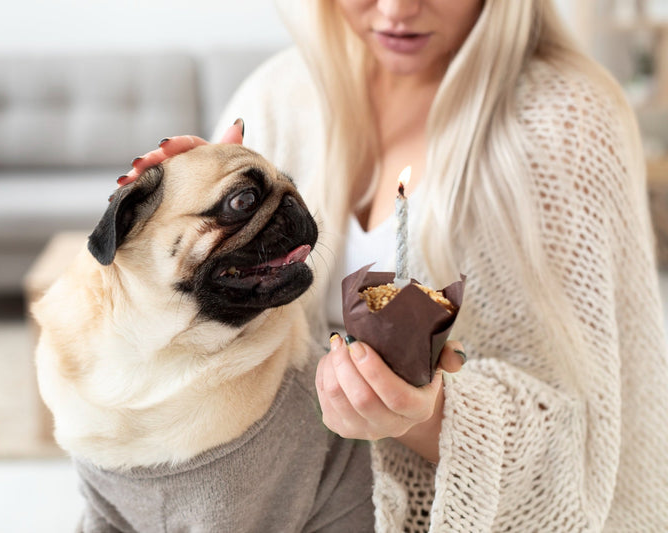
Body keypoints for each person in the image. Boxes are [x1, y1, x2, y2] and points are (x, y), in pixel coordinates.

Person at [120, 0, 668, 530]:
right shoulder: (276, 97)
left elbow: (589, 441)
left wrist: (423, 414)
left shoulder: (567, 122)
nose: (397, 9)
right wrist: (157, 227)